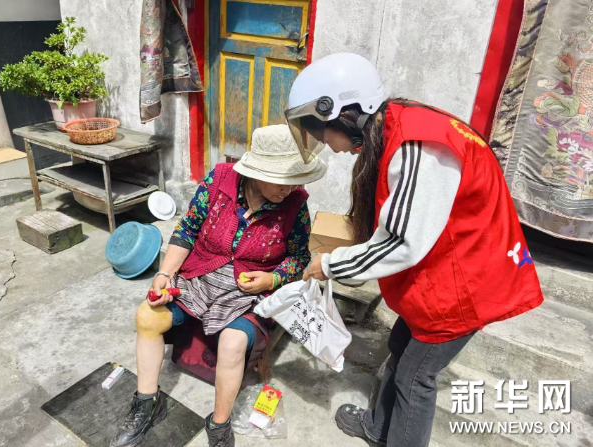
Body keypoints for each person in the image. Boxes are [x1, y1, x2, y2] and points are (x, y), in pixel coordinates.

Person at [286, 53, 544, 447]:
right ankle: (377, 427)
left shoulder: (419, 147)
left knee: (415, 377)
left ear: (344, 114)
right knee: (399, 346)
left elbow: (401, 242)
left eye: (324, 136)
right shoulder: (395, 123)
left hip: (467, 282)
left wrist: (331, 264)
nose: (331, 149)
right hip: (447, 264)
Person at [111, 124, 326, 447]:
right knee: (147, 316)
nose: (289, 189)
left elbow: (299, 257)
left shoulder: (294, 203)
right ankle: (147, 402)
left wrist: (272, 278)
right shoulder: (218, 180)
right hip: (200, 277)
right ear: (257, 172)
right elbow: (187, 229)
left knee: (233, 342)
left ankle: (219, 424)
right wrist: (165, 274)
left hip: (249, 292)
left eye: (295, 181)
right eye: (282, 181)